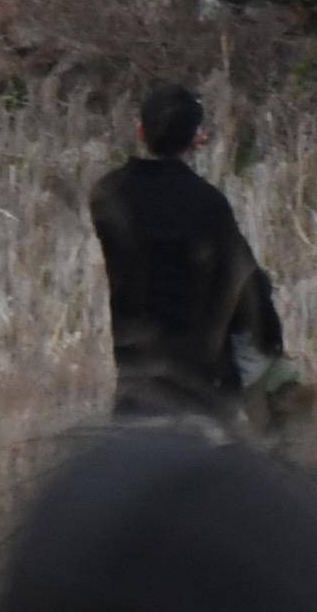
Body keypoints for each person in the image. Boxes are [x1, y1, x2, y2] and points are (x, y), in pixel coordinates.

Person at [85, 79, 283, 418]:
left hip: (136, 386)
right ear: (198, 139)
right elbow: (248, 289)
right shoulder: (208, 203)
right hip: (202, 393)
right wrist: (272, 343)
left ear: (140, 131)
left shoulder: (108, 195)